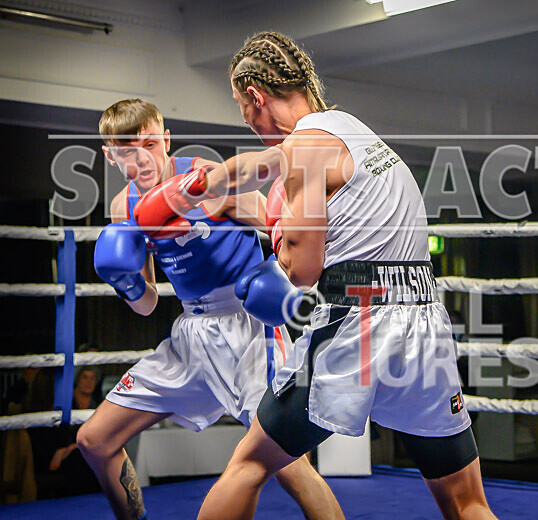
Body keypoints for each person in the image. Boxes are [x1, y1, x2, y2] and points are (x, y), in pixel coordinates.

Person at [134, 31, 497, 520]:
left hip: (357, 323)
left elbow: (301, 270)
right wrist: (203, 183)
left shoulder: (305, 147)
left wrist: (266, 276)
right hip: (424, 323)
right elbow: (265, 163)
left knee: (249, 464)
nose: (252, 125)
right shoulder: (351, 130)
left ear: (255, 96)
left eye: (245, 111)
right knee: (465, 501)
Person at [77, 99, 343, 520]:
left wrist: (276, 278)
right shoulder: (121, 209)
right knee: (94, 440)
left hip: (249, 327)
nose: (141, 158)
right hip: (190, 334)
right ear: (110, 156)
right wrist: (126, 283)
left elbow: (287, 232)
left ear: (165, 138)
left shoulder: (210, 183)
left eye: (149, 143)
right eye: (127, 151)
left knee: (291, 466)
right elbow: (147, 305)